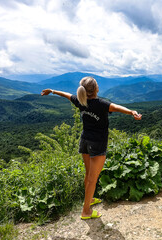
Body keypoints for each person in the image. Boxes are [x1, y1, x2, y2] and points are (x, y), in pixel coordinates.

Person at [41, 76, 142, 220]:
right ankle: (86, 211)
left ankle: (89, 199)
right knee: (92, 179)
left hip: (85, 141)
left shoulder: (80, 100)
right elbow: (117, 108)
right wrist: (131, 112)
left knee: (88, 175)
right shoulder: (100, 104)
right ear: (96, 89)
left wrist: (52, 91)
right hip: (98, 143)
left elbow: (66, 95)